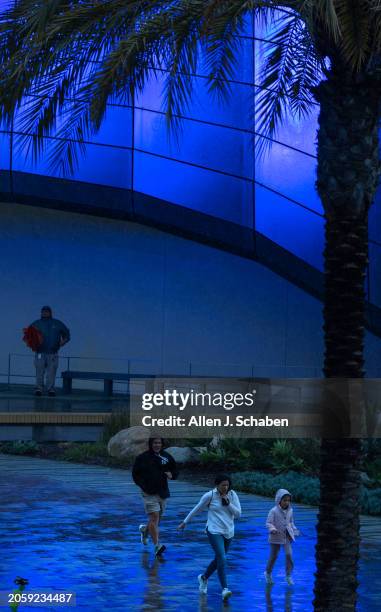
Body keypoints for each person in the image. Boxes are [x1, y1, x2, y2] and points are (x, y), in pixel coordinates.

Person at [178, 474, 241, 602]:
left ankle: (204, 578)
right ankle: (225, 589)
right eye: (223, 485)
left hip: (229, 531)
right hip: (214, 530)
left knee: (219, 559)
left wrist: (228, 503)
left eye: (227, 485)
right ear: (217, 485)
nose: (225, 487)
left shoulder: (233, 495)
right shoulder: (210, 496)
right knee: (222, 558)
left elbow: (238, 514)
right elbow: (197, 509)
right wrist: (185, 522)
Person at [132, 437, 178, 557]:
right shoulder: (142, 458)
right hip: (148, 492)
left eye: (159, 443)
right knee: (154, 517)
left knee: (156, 520)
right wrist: (143, 485)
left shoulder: (166, 457)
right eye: (154, 443)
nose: (157, 445)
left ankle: (144, 530)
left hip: (162, 492)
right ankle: (157, 546)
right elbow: (135, 474)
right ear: (150, 444)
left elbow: (175, 469)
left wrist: (172, 475)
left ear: (162, 444)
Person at [27, 306, 70, 397]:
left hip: (52, 353)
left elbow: (66, 334)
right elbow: (28, 335)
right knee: (39, 371)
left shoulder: (57, 323)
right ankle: (39, 389)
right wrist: (32, 344)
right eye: (43, 311)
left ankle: (50, 389)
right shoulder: (36, 323)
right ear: (41, 313)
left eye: (47, 311)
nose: (45, 313)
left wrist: (63, 342)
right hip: (40, 353)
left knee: (51, 372)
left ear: (50, 313)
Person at [264, 488, 300, 586]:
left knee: (289, 555)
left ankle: (288, 575)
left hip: (286, 537)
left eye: (288, 500)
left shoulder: (290, 510)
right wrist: (272, 529)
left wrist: (295, 530)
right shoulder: (273, 511)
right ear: (279, 500)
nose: (286, 502)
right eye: (284, 500)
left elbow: (291, 522)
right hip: (275, 537)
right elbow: (268, 523)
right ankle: (268, 573)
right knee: (273, 557)